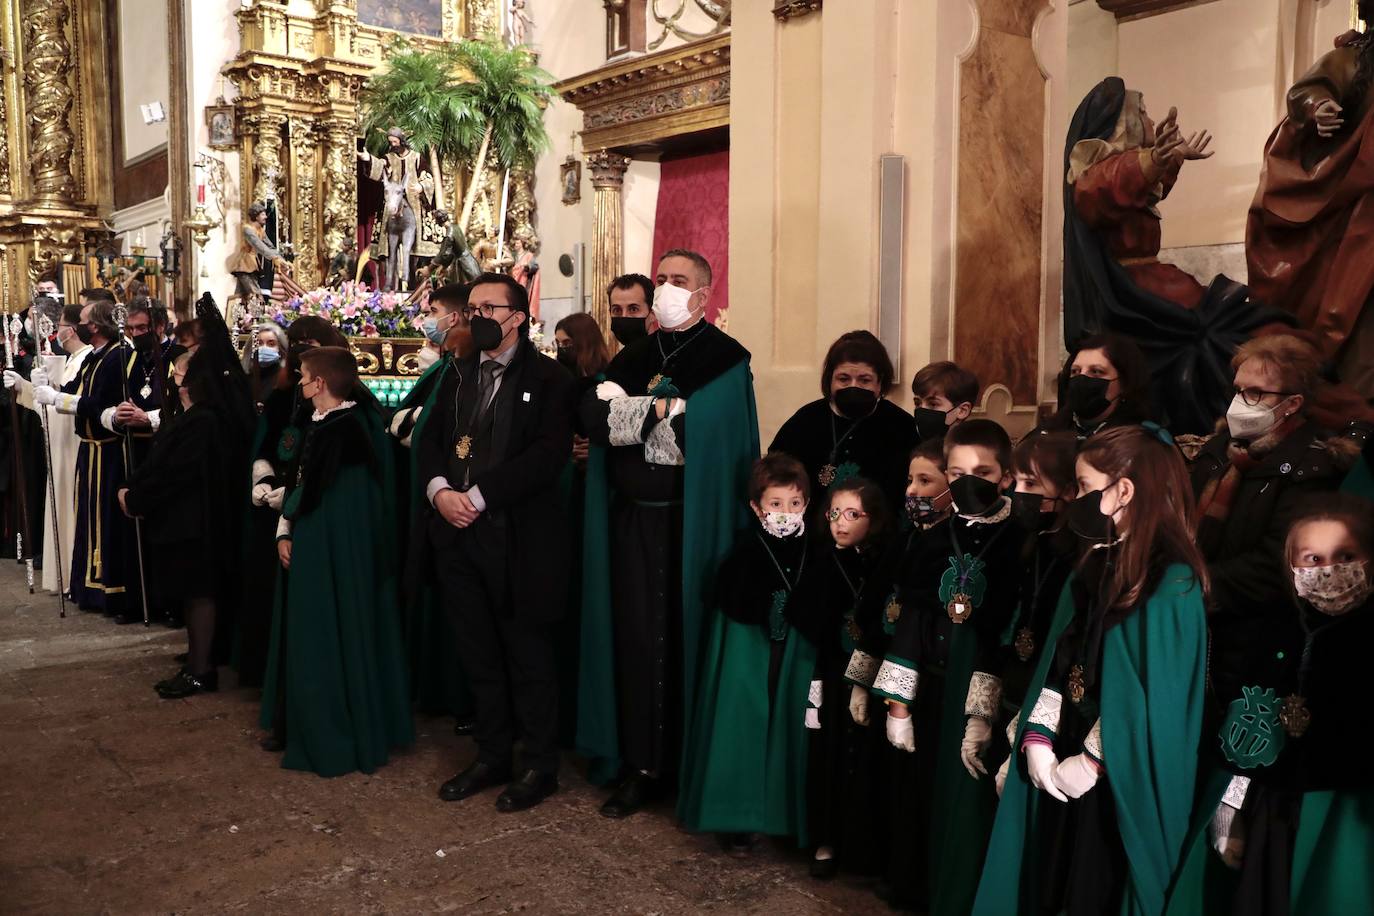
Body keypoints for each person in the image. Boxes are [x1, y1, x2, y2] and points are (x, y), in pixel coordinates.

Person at [974, 424, 1210, 916]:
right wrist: (1038, 736)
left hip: (1119, 774)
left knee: (1096, 884)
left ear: (1123, 490)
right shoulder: (1097, 561)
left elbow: (1156, 702)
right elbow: (1063, 659)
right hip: (1067, 748)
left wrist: (1094, 760)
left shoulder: (1173, 582)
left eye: (1084, 487)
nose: (1075, 498)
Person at [578, 249, 759, 820]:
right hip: (631, 520)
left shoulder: (727, 361)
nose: (665, 289)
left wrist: (638, 417)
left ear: (704, 296)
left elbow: (691, 441)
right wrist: (658, 412)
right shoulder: (633, 355)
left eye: (678, 281)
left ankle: (684, 765)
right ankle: (637, 765)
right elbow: (593, 421)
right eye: (661, 278)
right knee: (632, 637)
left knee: (684, 637)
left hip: (690, 524)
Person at [1169, 495, 1374, 915]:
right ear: (1291, 565)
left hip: (1350, 809)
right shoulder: (1276, 626)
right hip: (1277, 805)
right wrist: (1229, 807)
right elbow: (1247, 719)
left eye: (1346, 555)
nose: (1329, 570)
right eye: (1312, 558)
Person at [418, 273, 573, 812]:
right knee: (478, 651)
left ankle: (538, 765)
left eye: (489, 307)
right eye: (472, 307)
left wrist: (479, 496)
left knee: (528, 655)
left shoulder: (551, 379)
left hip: (518, 539)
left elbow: (548, 455)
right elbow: (430, 440)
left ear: (517, 315)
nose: (476, 316)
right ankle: (491, 754)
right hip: (457, 536)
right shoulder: (458, 373)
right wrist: (439, 491)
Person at [1063, 77, 1285, 434]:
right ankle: (1225, 415)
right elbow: (1107, 187)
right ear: (1125, 125)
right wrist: (1154, 158)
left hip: (1157, 282)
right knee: (1224, 332)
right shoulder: (1094, 173)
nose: (1151, 121)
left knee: (1254, 320)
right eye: (1144, 113)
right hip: (1132, 292)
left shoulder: (1122, 167)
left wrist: (1170, 158)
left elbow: (1142, 186)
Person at [873, 419, 1023, 913]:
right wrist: (898, 703)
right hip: (932, 683)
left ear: (1005, 477)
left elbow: (1009, 629)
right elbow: (911, 616)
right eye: (955, 472)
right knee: (922, 791)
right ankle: (916, 885)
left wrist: (982, 714)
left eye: (981, 471)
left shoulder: (1022, 541)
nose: (967, 483)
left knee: (966, 796)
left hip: (979, 682)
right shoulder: (934, 535)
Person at [259, 346, 413, 777]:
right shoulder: (331, 423)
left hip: (328, 544)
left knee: (324, 631)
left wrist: (289, 525)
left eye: (305, 377)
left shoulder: (341, 431)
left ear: (320, 384)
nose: (301, 383)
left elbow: (320, 491)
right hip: (325, 537)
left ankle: (331, 732)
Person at [1192, 334, 1353, 730]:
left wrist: (1194, 585)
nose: (1238, 404)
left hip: (1256, 640)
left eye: (1255, 393)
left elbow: (1277, 565)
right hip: (1197, 628)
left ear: (1292, 403)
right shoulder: (1217, 451)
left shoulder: (1310, 469)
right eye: (1237, 391)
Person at [677, 453, 818, 851]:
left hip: (795, 655)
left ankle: (785, 817)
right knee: (743, 725)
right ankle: (735, 816)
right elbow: (731, 600)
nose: (786, 513)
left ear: (807, 503)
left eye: (795, 503)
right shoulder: (742, 555)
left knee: (791, 727)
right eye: (775, 504)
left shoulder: (815, 552)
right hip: (751, 653)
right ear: (757, 508)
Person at [120, 315, 254, 698]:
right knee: (193, 594)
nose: (175, 378)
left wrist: (136, 497)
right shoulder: (196, 418)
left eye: (179, 373)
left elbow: (175, 472)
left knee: (200, 594)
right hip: (188, 521)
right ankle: (199, 656)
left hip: (197, 523)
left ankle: (201, 669)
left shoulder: (205, 422)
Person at [1248, 3, 1374, 395]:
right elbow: (1308, 91)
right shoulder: (1352, 60)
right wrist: (1319, 109)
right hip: (1361, 211)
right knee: (1357, 316)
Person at [796, 477, 895, 877]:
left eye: (853, 514)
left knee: (868, 755)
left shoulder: (884, 560)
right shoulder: (818, 559)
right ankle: (826, 839)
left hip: (875, 670)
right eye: (834, 513)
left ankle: (864, 845)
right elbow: (808, 617)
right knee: (830, 753)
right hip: (832, 670)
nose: (841, 522)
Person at [390, 283, 475, 728]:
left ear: (458, 317)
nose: (430, 319)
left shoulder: (464, 366)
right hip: (434, 496)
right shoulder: (444, 366)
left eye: (436, 311)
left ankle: (459, 695)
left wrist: (411, 424)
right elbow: (403, 418)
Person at [29, 296, 145, 621]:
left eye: (83, 320)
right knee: (89, 520)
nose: (79, 325)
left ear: (95, 325)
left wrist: (60, 398)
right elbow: (73, 390)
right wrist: (47, 388)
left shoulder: (120, 356)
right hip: (90, 449)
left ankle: (116, 594)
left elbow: (99, 404)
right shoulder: (95, 357)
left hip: (111, 451)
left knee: (110, 523)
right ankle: (89, 589)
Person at [992, 431, 1080, 792]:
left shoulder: (1078, 557)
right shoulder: (1030, 541)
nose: (1019, 493)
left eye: (1032, 482)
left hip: (1051, 703)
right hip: (1015, 683)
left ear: (1069, 491)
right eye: (1017, 480)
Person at [768, 331, 916, 512]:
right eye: (844, 379)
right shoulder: (804, 422)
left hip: (881, 534)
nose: (854, 386)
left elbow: (914, 493)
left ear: (880, 383)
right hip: (812, 535)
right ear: (830, 379)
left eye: (864, 380)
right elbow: (773, 481)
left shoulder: (901, 426)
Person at [2, 302, 92, 595]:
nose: (58, 333)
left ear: (71, 329)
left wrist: (49, 393)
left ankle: (74, 577)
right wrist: (23, 387)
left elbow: (64, 404)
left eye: (62, 326)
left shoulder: (85, 359)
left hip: (73, 444)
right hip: (59, 445)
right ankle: (66, 576)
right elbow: (49, 406)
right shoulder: (71, 359)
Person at [1040, 332, 1153, 438]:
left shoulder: (1141, 444)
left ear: (1124, 384)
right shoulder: (1047, 434)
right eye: (1075, 371)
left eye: (1096, 371)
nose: (1082, 378)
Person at [229, 203, 289, 307]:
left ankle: (233, 318)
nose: (265, 217)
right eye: (263, 214)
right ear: (256, 216)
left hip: (253, 266)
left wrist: (282, 260)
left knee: (241, 296)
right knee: (256, 297)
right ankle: (255, 319)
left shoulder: (261, 230)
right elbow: (260, 246)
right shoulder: (248, 229)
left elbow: (270, 247)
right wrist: (274, 258)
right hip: (245, 266)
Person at [911, 360, 980, 443]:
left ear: (962, 410)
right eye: (917, 403)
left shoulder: (973, 453)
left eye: (933, 404)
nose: (922, 409)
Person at [605, 273, 657, 347]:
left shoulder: (670, 356)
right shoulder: (620, 358)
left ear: (653, 313)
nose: (624, 316)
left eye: (633, 309)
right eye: (617, 310)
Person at [509, 230, 541, 320]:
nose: (516, 244)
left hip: (524, 281)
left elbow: (535, 266)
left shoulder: (528, 255)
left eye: (518, 243)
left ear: (522, 243)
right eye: (515, 243)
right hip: (513, 282)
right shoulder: (513, 256)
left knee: (522, 301)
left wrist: (526, 267)